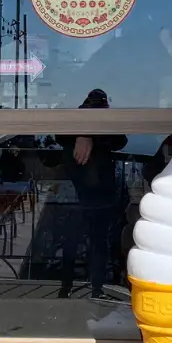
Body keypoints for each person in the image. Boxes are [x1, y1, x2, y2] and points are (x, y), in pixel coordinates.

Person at [56, 89, 127, 300]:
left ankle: (66, 286)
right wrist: (90, 135)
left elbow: (58, 135)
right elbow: (120, 141)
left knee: (72, 241)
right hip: (99, 195)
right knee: (98, 242)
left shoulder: (71, 125)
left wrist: (85, 135)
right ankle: (96, 288)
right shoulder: (105, 125)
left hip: (74, 193)